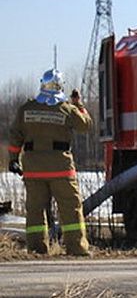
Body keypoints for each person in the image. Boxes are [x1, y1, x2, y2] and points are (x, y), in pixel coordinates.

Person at [7, 69, 93, 256]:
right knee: (71, 209)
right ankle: (76, 248)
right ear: (60, 87)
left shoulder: (26, 109)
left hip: (33, 169)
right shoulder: (67, 109)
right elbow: (85, 125)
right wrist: (79, 105)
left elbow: (15, 136)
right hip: (61, 169)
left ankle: (37, 249)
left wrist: (13, 160)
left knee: (35, 210)